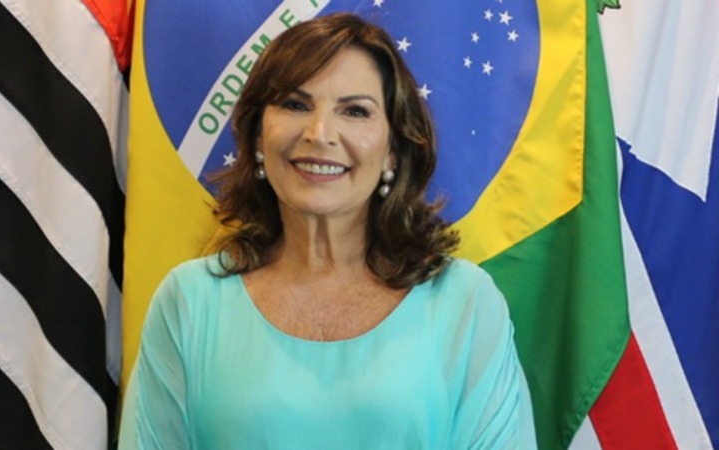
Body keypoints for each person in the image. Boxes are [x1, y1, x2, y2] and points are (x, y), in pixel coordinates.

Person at [119, 12, 536, 449]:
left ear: (393, 150)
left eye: (355, 111)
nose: (319, 134)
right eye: (295, 105)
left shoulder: (464, 302)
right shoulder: (189, 301)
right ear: (258, 136)